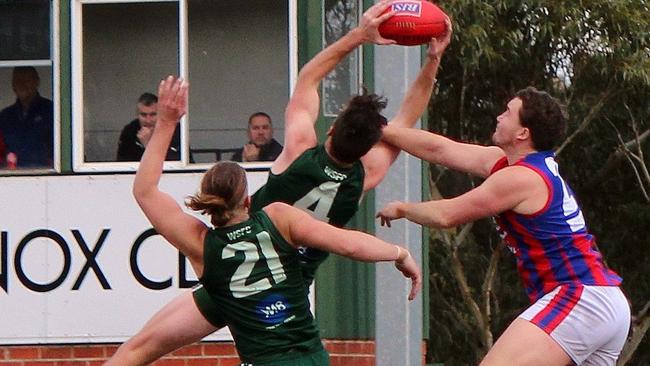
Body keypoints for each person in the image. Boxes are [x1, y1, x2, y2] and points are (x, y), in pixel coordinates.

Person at [109, 0, 452, 363]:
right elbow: (406, 117)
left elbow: (309, 77)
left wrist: (358, 36)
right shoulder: (367, 175)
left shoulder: (298, 150)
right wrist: (432, 60)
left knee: (139, 348)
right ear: (372, 144)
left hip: (232, 278)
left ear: (332, 129)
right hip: (286, 288)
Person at [376, 87, 630, 366]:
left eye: (508, 113)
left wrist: (402, 208)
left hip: (580, 297)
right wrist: (381, 131)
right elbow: (441, 149)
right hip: (601, 302)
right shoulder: (509, 164)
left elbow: (446, 215)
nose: (499, 117)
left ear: (523, 133)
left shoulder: (521, 178)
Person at [0, 66, 53, 168]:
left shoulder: (51, 111)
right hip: (11, 176)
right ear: (13, 85)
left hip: (45, 175)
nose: (21, 84)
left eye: (26, 80)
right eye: (17, 80)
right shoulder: (5, 115)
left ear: (36, 82)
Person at [116, 92, 181, 162]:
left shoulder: (173, 129)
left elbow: (180, 163)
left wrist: (149, 145)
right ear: (137, 115)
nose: (148, 120)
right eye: (143, 115)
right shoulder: (130, 131)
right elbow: (123, 163)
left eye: (153, 114)